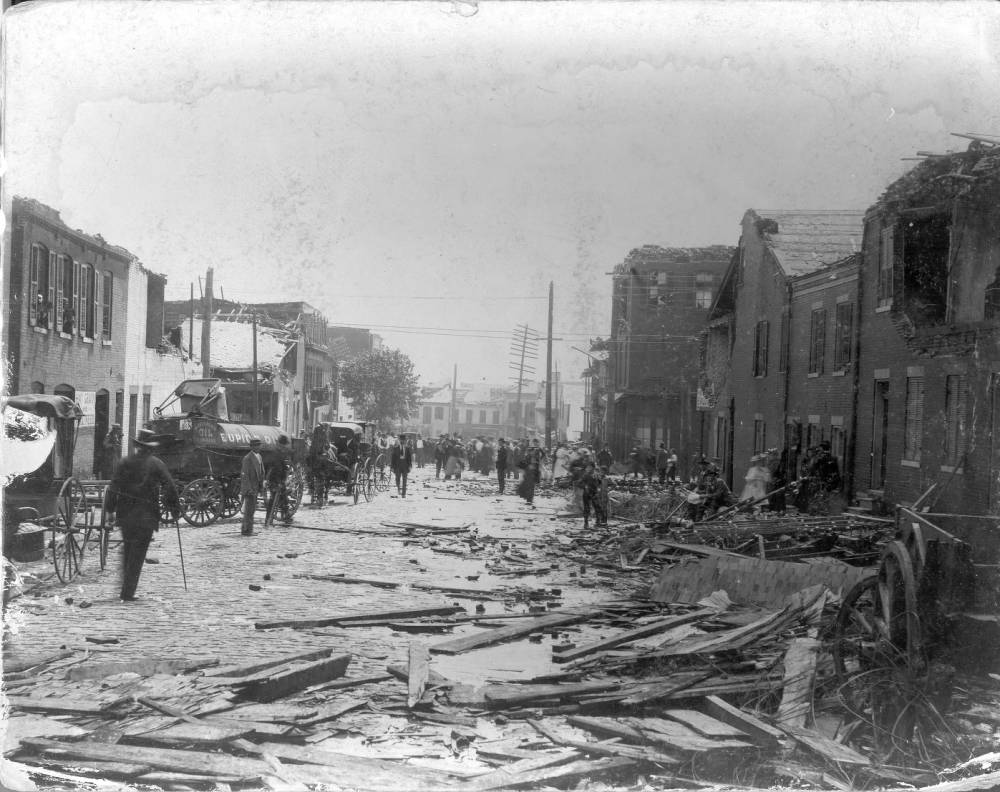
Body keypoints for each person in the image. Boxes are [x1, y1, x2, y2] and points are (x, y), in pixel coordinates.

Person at [103, 430, 180, 602]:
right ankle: (127, 592)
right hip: (147, 517)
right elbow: (170, 487)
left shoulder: (124, 463)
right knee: (137, 555)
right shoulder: (157, 464)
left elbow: (113, 487)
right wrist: (174, 510)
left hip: (126, 516)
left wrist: (110, 509)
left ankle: (126, 589)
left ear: (138, 446)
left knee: (129, 550)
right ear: (151, 448)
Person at [264, 435, 292, 526]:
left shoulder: (279, 453)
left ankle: (286, 515)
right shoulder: (276, 453)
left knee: (283, 497)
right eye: (283, 445)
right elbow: (274, 469)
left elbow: (282, 467)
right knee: (273, 500)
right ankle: (268, 519)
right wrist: (278, 481)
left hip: (279, 480)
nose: (284, 447)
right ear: (280, 444)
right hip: (275, 480)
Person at [240, 438, 265, 536]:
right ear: (251, 447)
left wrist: (261, 485)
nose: (258, 447)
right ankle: (246, 530)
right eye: (255, 446)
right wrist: (249, 488)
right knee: (249, 511)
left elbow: (261, 471)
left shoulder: (259, 457)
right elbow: (245, 475)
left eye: (259, 445)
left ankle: (248, 529)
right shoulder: (247, 458)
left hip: (255, 487)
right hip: (250, 488)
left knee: (251, 510)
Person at [516, 438, 547, 506]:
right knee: (528, 485)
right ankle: (528, 498)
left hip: (534, 471)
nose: (531, 452)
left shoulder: (538, 449)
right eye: (530, 451)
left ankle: (529, 499)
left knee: (531, 486)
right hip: (528, 472)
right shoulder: (528, 456)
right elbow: (523, 463)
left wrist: (539, 461)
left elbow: (543, 455)